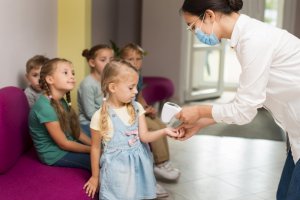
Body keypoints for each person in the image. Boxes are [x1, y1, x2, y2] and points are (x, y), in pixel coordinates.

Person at [177, 0, 300, 200]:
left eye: (192, 27)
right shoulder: (248, 37)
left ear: (209, 15)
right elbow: (254, 100)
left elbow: (244, 111)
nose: (194, 34)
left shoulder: (253, 40)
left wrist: (199, 111)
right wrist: (202, 122)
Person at [83, 59, 183, 199]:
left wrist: (164, 131)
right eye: (131, 87)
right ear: (113, 88)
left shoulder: (137, 108)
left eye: (136, 86)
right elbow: (95, 148)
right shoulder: (99, 116)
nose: (136, 91)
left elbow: (145, 137)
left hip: (139, 166)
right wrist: (95, 177)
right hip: (116, 171)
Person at [120, 43, 180, 196]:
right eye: (130, 59)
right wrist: (139, 112)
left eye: (138, 59)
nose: (135, 63)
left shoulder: (138, 75)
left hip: (136, 109)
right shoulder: (121, 76)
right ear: (121, 60)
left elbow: (139, 96)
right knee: (152, 128)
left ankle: (164, 162)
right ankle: (159, 163)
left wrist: (147, 108)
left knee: (159, 123)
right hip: (126, 113)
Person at [29, 58, 91, 170]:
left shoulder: (60, 100)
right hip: (55, 154)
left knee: (97, 137)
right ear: (50, 79)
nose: (72, 76)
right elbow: (64, 144)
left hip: (68, 140)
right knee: (98, 160)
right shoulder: (45, 108)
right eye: (65, 73)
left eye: (72, 73)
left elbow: (75, 130)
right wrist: (93, 149)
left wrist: (93, 144)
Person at [78, 44, 114, 136]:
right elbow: (90, 114)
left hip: (105, 120)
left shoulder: (110, 80)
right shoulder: (87, 84)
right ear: (92, 63)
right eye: (103, 60)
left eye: (111, 60)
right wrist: (110, 120)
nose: (108, 63)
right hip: (88, 124)